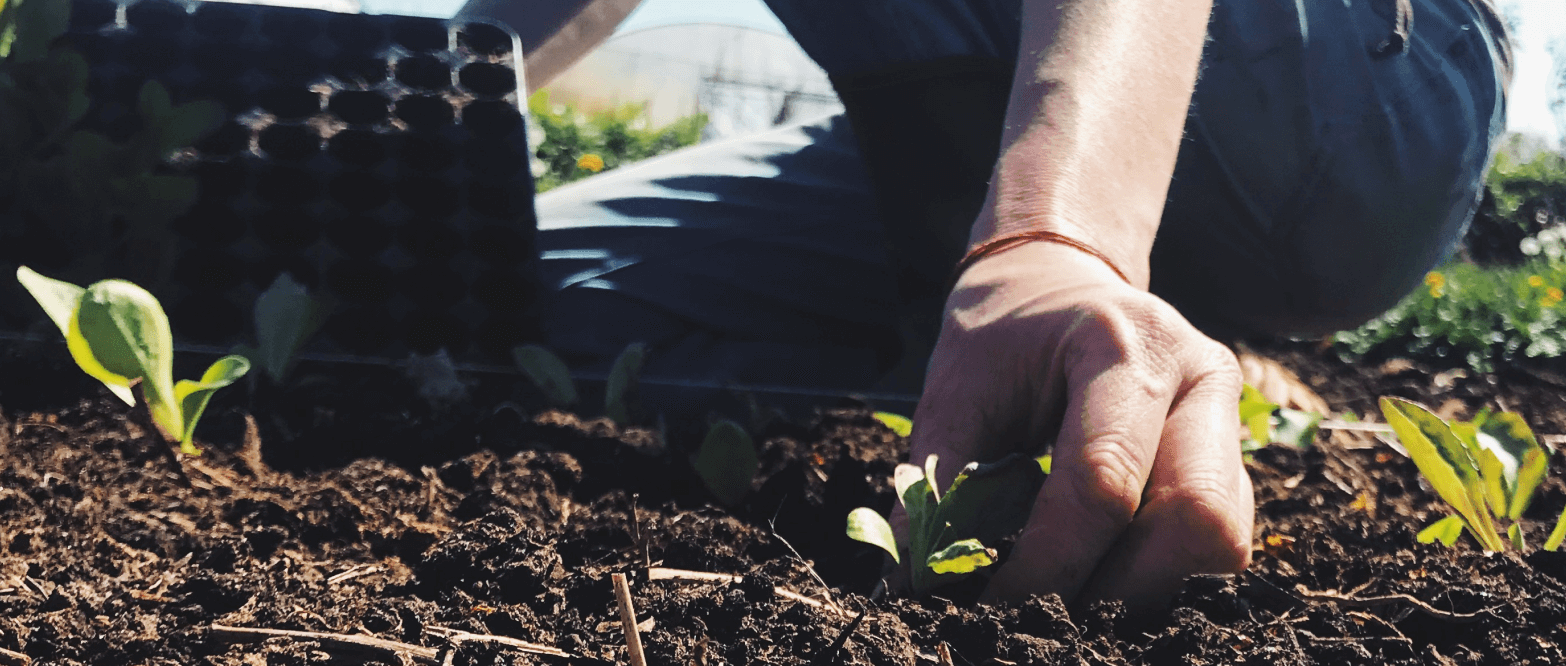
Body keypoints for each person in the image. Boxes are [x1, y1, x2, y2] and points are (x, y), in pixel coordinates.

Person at [458, 0, 1511, 607]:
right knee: (518, 291)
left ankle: (1075, 273)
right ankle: (1086, 351)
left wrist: (1053, 234)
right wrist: (427, 103)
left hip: (1362, 86)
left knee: (1044, 241)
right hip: (992, 98)